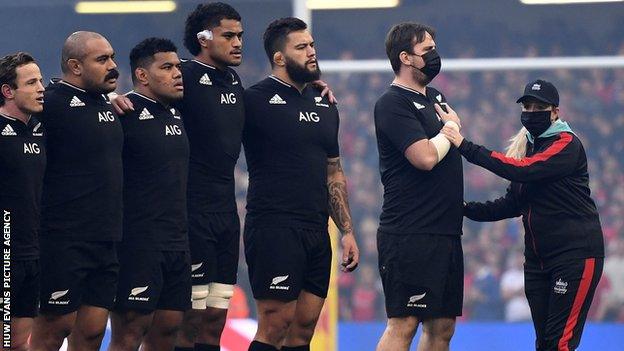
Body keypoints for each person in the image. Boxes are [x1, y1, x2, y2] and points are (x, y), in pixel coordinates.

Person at [440, 79, 605, 351]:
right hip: (538, 263)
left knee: (559, 345)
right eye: (527, 105)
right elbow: (511, 204)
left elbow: (524, 170)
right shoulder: (528, 146)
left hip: (575, 256)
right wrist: (463, 209)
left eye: (538, 106)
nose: (530, 111)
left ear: (555, 112)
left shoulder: (566, 144)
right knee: (545, 344)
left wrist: (464, 146)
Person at [242, 17, 359, 351]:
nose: (312, 52)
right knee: (276, 323)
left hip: (316, 228)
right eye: (302, 47)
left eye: (312, 45)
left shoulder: (324, 103)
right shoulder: (254, 100)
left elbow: (333, 171)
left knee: (304, 328)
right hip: (273, 225)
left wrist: (347, 230)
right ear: (280, 57)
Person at [30, 31, 123, 351]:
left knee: (94, 331)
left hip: (106, 238)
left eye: (112, 57)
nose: (113, 65)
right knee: (55, 328)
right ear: (75, 66)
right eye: (102, 59)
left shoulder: (109, 103)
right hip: (62, 238)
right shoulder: (50, 103)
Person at [373, 22, 463, 351]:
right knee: (404, 324)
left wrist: (449, 128)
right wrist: (450, 128)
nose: (435, 55)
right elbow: (424, 158)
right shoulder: (392, 103)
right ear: (406, 58)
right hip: (411, 232)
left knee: (442, 327)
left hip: (445, 231)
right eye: (427, 50)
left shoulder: (436, 97)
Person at [107, 37, 191, 351]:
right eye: (166, 67)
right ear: (142, 75)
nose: (177, 73)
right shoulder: (122, 112)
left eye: (178, 67)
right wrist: (108, 97)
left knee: (168, 331)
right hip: (137, 242)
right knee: (129, 334)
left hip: (177, 241)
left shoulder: (177, 112)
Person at [0, 52, 46, 351]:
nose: (41, 88)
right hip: (5, 252)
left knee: (19, 343)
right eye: (31, 82)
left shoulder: (41, 129)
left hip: (33, 251)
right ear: (8, 91)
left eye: (41, 80)